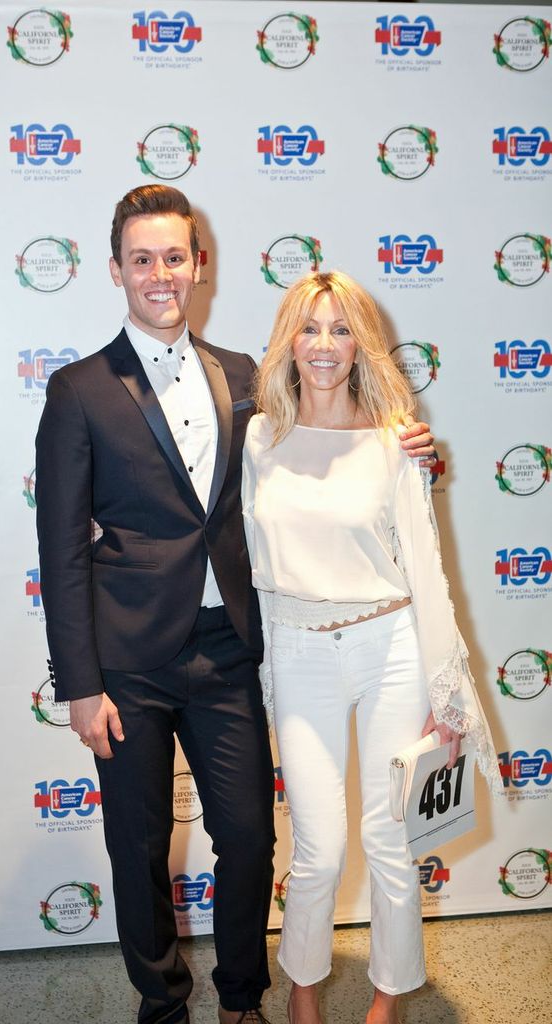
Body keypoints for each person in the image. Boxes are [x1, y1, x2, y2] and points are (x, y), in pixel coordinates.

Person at [35, 187, 435, 1024]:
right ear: (116, 270)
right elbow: (61, 546)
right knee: (139, 848)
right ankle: (163, 1005)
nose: (159, 274)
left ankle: (243, 999)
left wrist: (411, 448)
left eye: (173, 257)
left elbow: (330, 439)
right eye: (141, 259)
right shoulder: (77, 391)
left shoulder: (249, 380)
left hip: (231, 651)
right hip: (127, 662)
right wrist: (79, 684)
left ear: (198, 264)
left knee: (252, 841)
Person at [241, 271, 500, 1024]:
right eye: (310, 328)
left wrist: (446, 691)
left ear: (361, 343)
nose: (324, 345)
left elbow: (428, 570)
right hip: (297, 648)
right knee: (317, 849)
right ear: (290, 339)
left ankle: (387, 1000)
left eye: (340, 329)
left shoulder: (395, 443)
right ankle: (303, 984)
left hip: (389, 644)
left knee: (388, 839)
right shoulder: (261, 436)